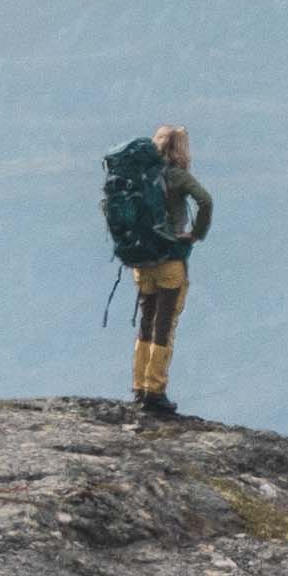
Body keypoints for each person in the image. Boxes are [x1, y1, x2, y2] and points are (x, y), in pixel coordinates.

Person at [100, 123, 213, 422]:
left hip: (141, 262)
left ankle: (139, 385)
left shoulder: (137, 178)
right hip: (170, 261)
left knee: (146, 321)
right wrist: (195, 234)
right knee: (165, 324)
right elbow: (205, 200)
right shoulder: (176, 176)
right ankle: (156, 391)